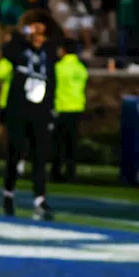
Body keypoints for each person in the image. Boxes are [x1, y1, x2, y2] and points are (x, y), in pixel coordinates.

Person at [1, 9, 56, 220]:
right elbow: (8, 49)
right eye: (35, 31)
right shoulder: (20, 49)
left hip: (39, 111)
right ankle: (8, 194)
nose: (38, 36)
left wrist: (51, 111)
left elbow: (52, 82)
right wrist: (25, 31)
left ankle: (40, 199)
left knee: (40, 156)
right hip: (20, 109)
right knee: (15, 154)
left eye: (41, 32)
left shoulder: (49, 53)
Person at [52, 40, 88, 182]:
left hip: (61, 107)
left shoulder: (58, 67)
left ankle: (56, 172)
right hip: (76, 107)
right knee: (71, 143)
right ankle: (71, 172)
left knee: (58, 143)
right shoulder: (81, 68)